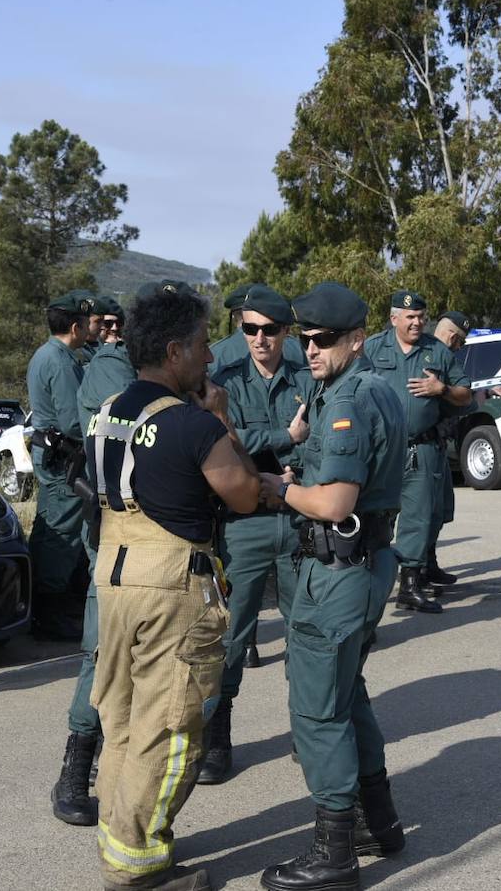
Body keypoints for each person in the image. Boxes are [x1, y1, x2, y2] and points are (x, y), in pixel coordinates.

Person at [88, 284, 261, 891]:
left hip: (114, 575)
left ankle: (120, 840)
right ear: (173, 351)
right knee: (169, 728)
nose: (211, 358)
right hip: (171, 585)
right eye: (202, 345)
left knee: (123, 720)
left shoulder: (108, 410)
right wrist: (220, 418)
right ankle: (137, 870)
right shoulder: (191, 423)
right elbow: (240, 491)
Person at [255, 281, 408, 891]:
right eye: (306, 339)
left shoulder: (349, 396)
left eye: (322, 340)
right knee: (350, 696)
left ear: (354, 339)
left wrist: (279, 489)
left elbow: (336, 500)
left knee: (318, 712)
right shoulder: (370, 388)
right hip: (363, 563)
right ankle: (380, 823)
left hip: (337, 571)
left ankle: (334, 852)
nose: (309, 350)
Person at [196, 285, 315, 786]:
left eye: (269, 330)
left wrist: (292, 467)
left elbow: (321, 438)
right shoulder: (222, 383)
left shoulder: (307, 380)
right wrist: (286, 440)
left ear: (286, 332)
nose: (259, 339)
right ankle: (217, 739)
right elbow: (227, 441)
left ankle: (308, 731)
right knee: (232, 635)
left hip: (299, 516)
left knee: (305, 630)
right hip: (243, 522)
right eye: (249, 329)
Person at [50, 285, 156, 826]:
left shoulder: (156, 364)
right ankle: (78, 762)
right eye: (107, 323)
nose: (111, 332)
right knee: (100, 648)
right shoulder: (112, 369)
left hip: (167, 538)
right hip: (117, 529)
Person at [364, 291, 471, 614]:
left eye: (422, 317)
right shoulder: (372, 348)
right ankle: (368, 589)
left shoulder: (436, 351)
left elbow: (466, 394)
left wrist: (443, 390)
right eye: (410, 317)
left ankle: (410, 585)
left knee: (419, 517)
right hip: (381, 451)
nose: (417, 322)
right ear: (394, 318)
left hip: (421, 448)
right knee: (376, 518)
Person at [27, 289, 97, 640]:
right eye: (87, 323)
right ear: (75, 326)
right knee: (60, 532)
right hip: (63, 458)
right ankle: (49, 612)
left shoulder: (52, 355)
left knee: (54, 526)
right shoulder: (61, 360)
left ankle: (49, 605)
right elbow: (73, 420)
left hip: (55, 454)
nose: (90, 329)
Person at [422, 309, 473, 592]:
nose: (459, 348)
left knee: (439, 510)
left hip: (438, 443)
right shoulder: (426, 354)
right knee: (421, 513)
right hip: (420, 444)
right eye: (461, 342)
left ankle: (428, 563)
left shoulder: (446, 358)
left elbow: (463, 395)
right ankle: (413, 570)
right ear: (453, 337)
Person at [211, 282, 306, 377]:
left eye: (270, 329)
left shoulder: (215, 353)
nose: (259, 340)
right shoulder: (299, 347)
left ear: (234, 316)